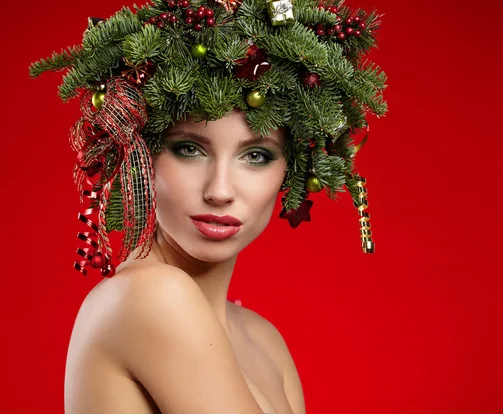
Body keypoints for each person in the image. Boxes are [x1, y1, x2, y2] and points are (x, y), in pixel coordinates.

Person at [30, 1, 387, 413]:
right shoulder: (148, 296)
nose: (219, 190)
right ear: (140, 154)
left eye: (256, 156)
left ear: (292, 169)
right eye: (188, 149)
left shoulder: (261, 337)